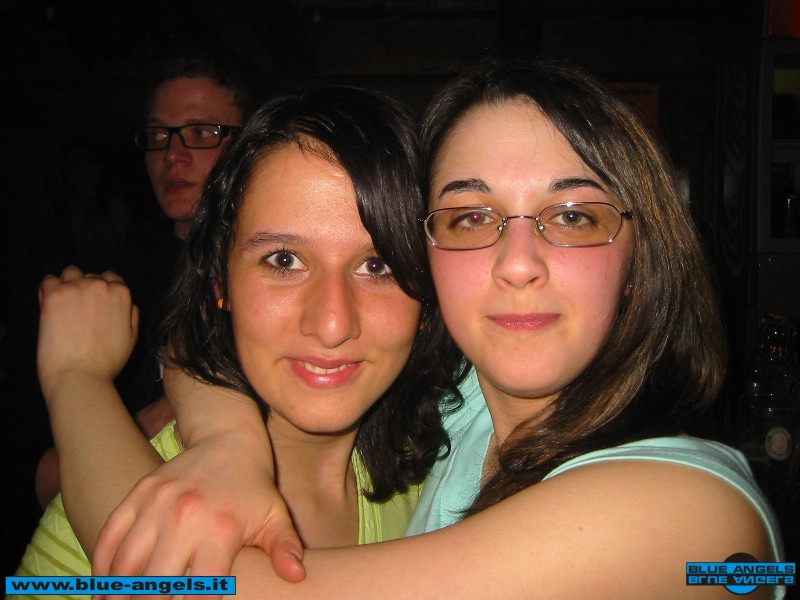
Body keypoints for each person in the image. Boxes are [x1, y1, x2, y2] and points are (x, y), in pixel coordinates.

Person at [21, 58, 786, 599]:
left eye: (573, 215)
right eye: (471, 216)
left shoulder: (696, 523)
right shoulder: (455, 417)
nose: (518, 264)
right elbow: (215, 338)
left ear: (643, 255)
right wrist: (226, 442)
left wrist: (77, 380)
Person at [14, 85, 467, 590]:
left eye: (377, 265)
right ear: (220, 283)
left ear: (427, 299)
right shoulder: (117, 514)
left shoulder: (431, 487)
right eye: (284, 260)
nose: (332, 324)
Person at [32, 47, 266, 508]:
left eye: (201, 133)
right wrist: (163, 418)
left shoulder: (283, 275)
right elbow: (41, 476)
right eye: (159, 135)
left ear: (252, 146)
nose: (173, 154)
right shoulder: (109, 287)